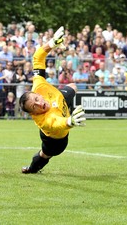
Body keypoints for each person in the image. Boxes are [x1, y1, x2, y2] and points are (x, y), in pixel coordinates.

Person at [19, 27, 87, 174]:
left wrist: (51, 44)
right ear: (33, 113)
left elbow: (37, 58)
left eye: (36, 99)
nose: (39, 103)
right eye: (34, 106)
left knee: (73, 86)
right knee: (45, 154)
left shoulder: (39, 85)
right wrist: (70, 121)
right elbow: (56, 124)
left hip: (59, 100)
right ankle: (32, 169)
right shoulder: (44, 120)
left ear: (37, 93)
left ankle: (65, 107)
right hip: (57, 140)